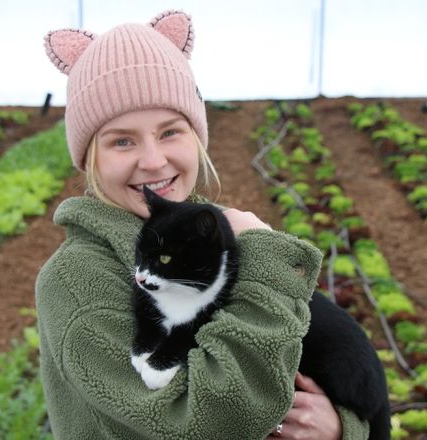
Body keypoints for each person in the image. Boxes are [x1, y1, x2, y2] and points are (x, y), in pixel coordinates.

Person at [37, 9, 370, 440]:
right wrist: (268, 265)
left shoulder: (211, 240)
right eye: (122, 140)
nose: (154, 160)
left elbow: (300, 367)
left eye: (171, 132)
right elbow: (206, 423)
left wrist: (340, 428)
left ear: (197, 137)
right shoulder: (76, 282)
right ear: (88, 158)